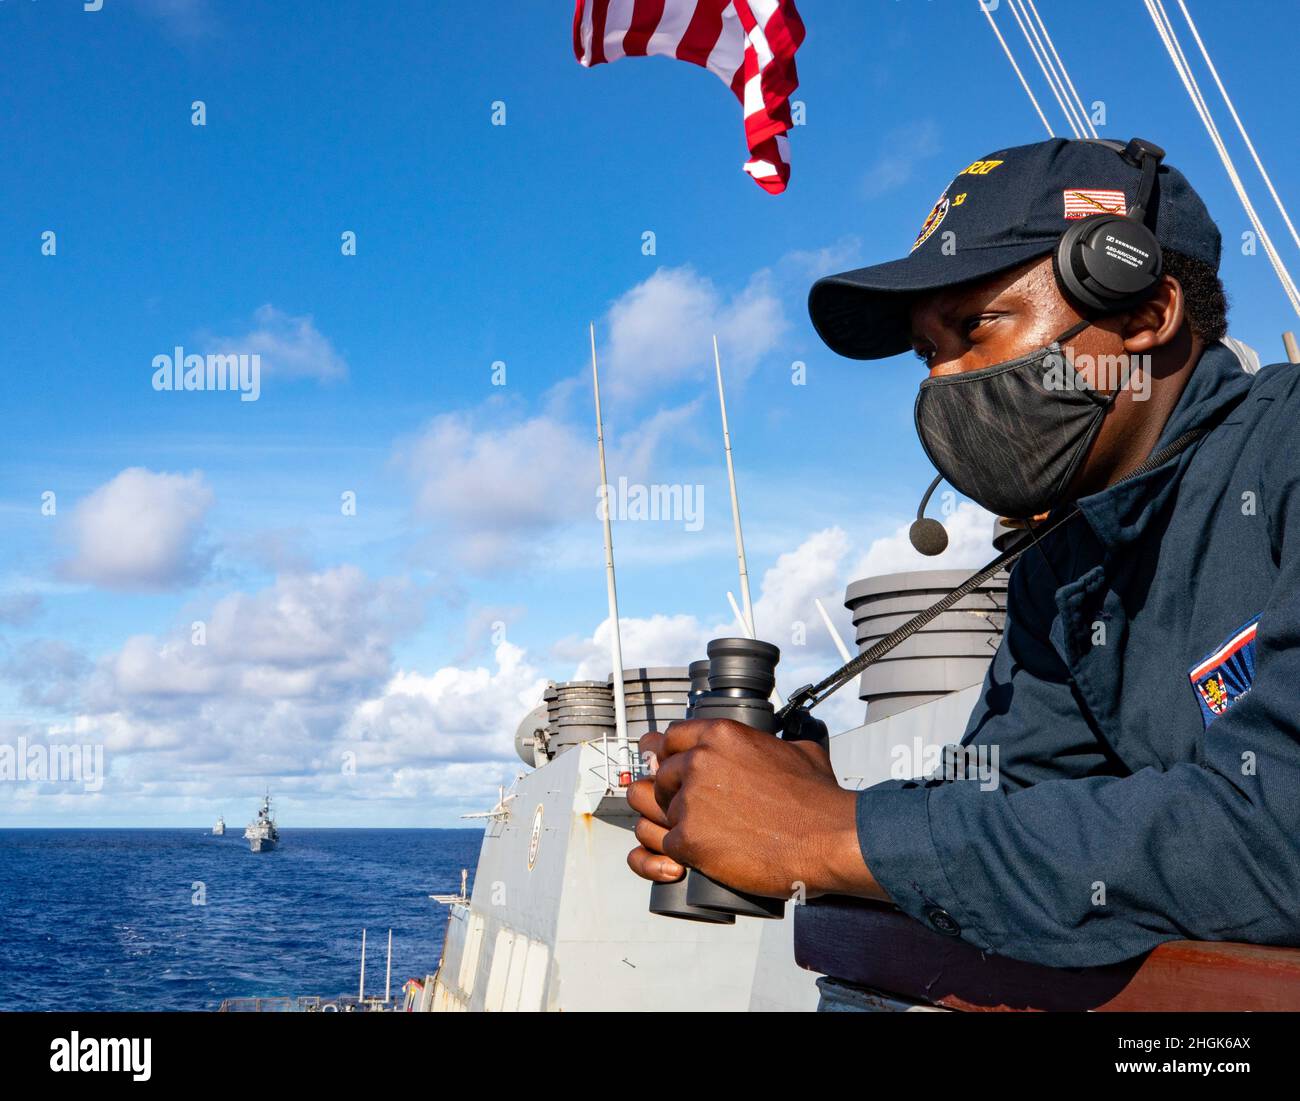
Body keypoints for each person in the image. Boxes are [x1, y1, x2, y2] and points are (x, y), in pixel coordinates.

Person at [626, 136, 1300, 980]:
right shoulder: (1061, 570)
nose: (944, 380)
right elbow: (1013, 806)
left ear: (1143, 314)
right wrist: (786, 802)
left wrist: (828, 833)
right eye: (926, 352)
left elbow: (1280, 828)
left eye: (975, 327)